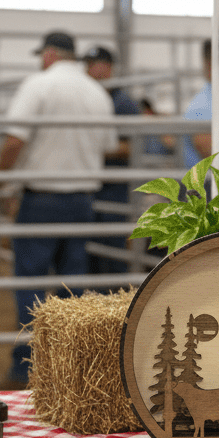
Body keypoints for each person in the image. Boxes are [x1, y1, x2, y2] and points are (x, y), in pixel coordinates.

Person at [0, 31, 116, 385]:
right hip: (82, 200)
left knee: (31, 281)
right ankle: (70, 366)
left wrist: (0, 180)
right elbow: (108, 145)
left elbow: (15, 139)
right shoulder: (96, 92)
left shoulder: (38, 85)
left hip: (42, 198)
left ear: (48, 55)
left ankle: (26, 365)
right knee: (72, 284)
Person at [83, 46, 140, 279]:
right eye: (87, 64)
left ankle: (117, 303)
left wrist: (92, 148)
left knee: (112, 250)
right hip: (92, 186)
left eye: (93, 64)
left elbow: (133, 147)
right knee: (91, 251)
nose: (88, 70)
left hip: (114, 188)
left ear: (108, 67)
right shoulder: (88, 96)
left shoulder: (123, 103)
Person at [183, 38, 213, 170]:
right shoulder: (202, 107)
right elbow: (214, 156)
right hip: (206, 186)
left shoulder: (212, 100)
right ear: (209, 66)